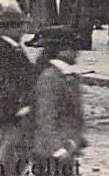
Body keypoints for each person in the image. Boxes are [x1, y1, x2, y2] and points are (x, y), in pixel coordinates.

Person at [0, 0, 37, 173]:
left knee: (6, 153)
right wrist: (18, 105)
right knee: (9, 157)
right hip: (9, 113)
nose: (22, 30)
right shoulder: (0, 51)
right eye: (18, 26)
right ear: (8, 28)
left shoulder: (10, 48)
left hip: (10, 113)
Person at [29, 26, 87, 174]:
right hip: (51, 152)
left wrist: (76, 141)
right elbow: (45, 117)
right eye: (72, 48)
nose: (77, 52)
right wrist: (57, 148)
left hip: (66, 148)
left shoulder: (67, 75)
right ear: (60, 51)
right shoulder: (50, 78)